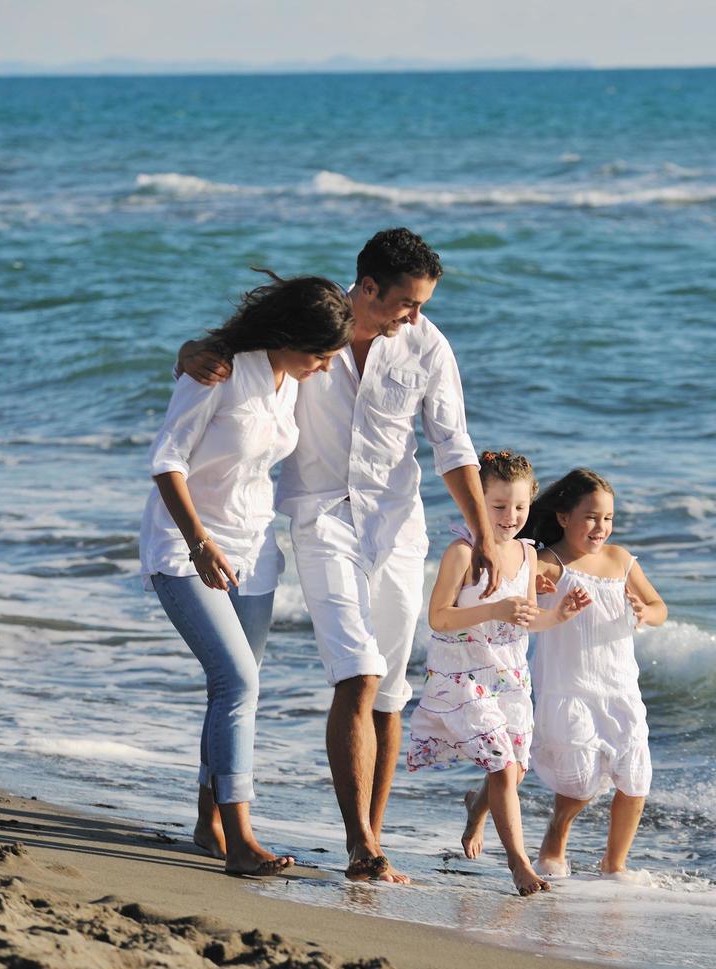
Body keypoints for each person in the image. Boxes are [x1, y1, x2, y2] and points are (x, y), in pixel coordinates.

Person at [177, 229, 498, 883]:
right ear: (368, 288)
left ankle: (364, 837)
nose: (415, 316)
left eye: (422, 305)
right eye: (406, 302)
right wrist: (191, 352)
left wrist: (484, 535)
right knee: (356, 674)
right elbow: (229, 353)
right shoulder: (313, 324)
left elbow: (452, 445)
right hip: (320, 518)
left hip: (400, 528)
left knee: (389, 695)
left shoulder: (428, 345)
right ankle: (361, 848)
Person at [140, 273, 352, 877]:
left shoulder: (292, 379)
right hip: (187, 549)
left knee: (233, 688)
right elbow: (166, 461)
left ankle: (209, 824)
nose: (327, 365)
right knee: (238, 684)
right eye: (320, 352)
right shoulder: (220, 370)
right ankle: (241, 840)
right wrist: (198, 542)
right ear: (286, 337)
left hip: (253, 551)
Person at [406, 450, 592, 896]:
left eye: (520, 507)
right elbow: (438, 617)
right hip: (462, 675)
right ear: (477, 502)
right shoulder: (462, 551)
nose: (511, 517)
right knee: (505, 767)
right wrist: (493, 607)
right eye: (499, 506)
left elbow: (526, 620)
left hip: (508, 675)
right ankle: (519, 865)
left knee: (515, 769)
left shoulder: (528, 556)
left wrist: (560, 615)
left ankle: (477, 808)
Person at [520, 467, 668, 877]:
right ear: (564, 517)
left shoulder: (620, 560)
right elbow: (517, 605)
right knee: (578, 784)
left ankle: (614, 863)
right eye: (590, 517)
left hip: (620, 688)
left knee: (635, 779)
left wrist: (644, 611)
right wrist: (536, 590)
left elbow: (659, 607)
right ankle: (554, 841)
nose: (600, 527)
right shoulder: (547, 563)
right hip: (571, 689)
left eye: (607, 518)